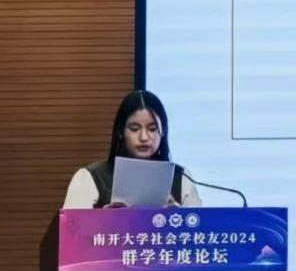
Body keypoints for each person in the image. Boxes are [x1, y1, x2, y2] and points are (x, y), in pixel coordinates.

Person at [62, 89, 201, 209]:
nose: (144, 137)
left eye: (152, 129)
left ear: (163, 131)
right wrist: (104, 219)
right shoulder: (92, 176)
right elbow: (70, 227)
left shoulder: (181, 177)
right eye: (134, 129)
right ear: (120, 131)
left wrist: (181, 218)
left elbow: (200, 228)